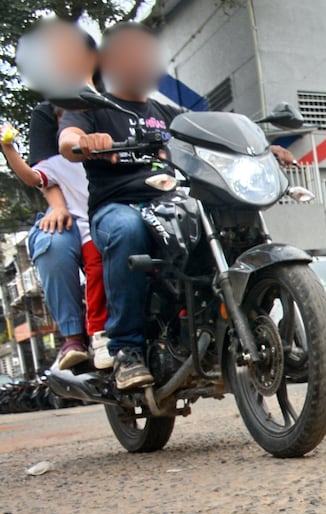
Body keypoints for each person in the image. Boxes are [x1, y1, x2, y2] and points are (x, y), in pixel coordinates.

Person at [60, 23, 293, 390]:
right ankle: (127, 350)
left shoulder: (169, 113)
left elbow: (213, 134)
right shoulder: (92, 108)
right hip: (120, 205)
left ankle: (238, 325)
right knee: (127, 230)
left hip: (174, 200)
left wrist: (264, 148)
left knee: (231, 228)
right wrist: (84, 141)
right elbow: (67, 140)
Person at [5, 21, 105, 370]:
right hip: (73, 210)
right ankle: (77, 336)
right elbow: (45, 173)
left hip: (122, 199)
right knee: (55, 242)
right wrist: (59, 207)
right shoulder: (49, 112)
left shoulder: (121, 101)